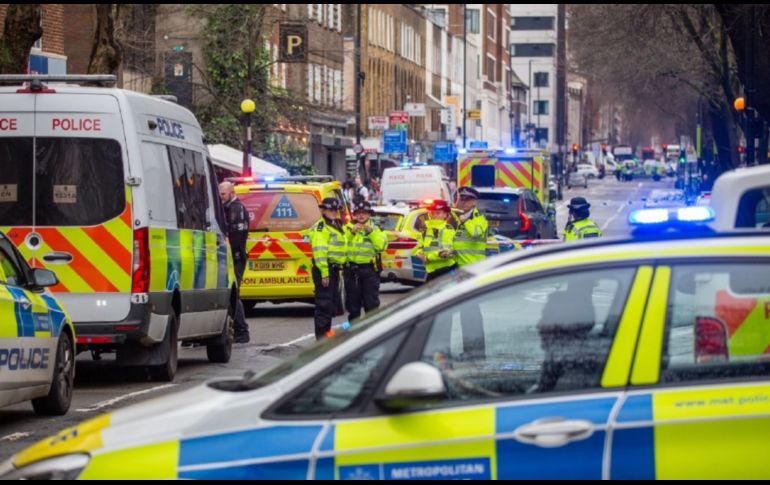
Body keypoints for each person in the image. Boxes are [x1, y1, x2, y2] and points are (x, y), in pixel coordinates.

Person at [344, 200, 387, 322]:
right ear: (354, 215)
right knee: (353, 309)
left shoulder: (376, 229)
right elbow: (340, 247)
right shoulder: (347, 228)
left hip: (369, 271)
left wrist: (371, 233)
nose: (361, 215)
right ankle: (353, 336)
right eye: (358, 213)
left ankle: (372, 336)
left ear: (369, 215)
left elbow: (382, 246)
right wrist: (352, 233)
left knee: (371, 307)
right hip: (352, 272)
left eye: (364, 213)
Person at [310, 198, 347, 340]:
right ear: (323, 210)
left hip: (334, 270)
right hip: (325, 270)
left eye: (335, 210)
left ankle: (326, 337)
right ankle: (321, 340)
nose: (333, 212)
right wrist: (324, 273)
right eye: (330, 209)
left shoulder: (334, 225)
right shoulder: (321, 227)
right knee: (323, 306)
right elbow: (320, 252)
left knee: (330, 306)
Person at [219, 182, 251, 343]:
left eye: (223, 194)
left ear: (232, 193)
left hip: (236, 257)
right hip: (231, 256)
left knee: (234, 294)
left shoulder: (236, 209)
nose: (221, 197)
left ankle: (241, 331)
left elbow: (237, 237)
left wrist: (232, 255)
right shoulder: (227, 208)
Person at [415, 199, 457, 282]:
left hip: (445, 271)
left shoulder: (447, 230)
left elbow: (447, 252)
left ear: (445, 214)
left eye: (438, 213)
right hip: (431, 271)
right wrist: (419, 255)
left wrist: (428, 258)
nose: (434, 215)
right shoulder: (425, 230)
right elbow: (419, 248)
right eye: (432, 213)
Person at [451, 186, 488, 268]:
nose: (464, 203)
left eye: (467, 200)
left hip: (473, 266)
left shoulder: (480, 218)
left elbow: (475, 233)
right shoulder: (455, 216)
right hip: (457, 266)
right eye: (462, 199)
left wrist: (465, 221)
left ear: (474, 202)